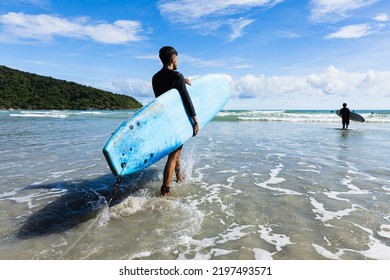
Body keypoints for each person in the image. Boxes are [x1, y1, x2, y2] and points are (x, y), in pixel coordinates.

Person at [152, 46, 199, 197]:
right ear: (173, 59)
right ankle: (165, 191)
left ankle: (178, 176)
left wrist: (181, 82)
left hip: (164, 120)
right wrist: (195, 120)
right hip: (176, 121)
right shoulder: (177, 76)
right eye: (177, 59)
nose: (178, 61)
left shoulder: (155, 78)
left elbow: (165, 96)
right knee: (173, 155)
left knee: (176, 150)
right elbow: (186, 99)